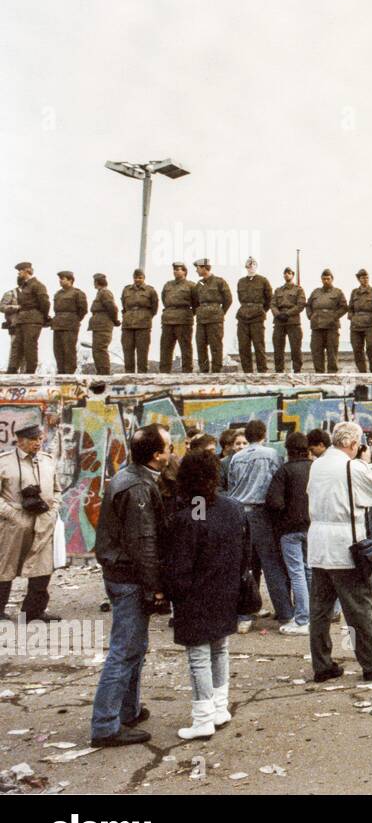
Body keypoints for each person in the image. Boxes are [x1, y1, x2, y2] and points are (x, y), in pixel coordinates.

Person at [90, 423, 171, 746]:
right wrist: (156, 588)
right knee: (124, 651)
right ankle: (106, 725)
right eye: (168, 446)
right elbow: (143, 543)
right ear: (156, 455)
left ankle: (129, 710)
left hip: (121, 573)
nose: (172, 450)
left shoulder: (130, 476)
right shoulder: (137, 487)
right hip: (130, 577)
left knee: (134, 647)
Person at [164, 449, 249, 740]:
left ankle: (202, 718)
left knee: (198, 656)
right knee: (219, 649)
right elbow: (244, 552)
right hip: (226, 591)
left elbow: (180, 565)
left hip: (196, 595)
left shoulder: (186, 516)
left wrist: (170, 594)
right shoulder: (234, 508)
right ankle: (220, 708)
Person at [306, 422, 372, 683]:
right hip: (344, 546)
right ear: (352, 444)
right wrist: (368, 462)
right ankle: (371, 663)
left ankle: (322, 664)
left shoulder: (318, 464)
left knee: (320, 610)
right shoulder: (352, 466)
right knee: (357, 608)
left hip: (318, 544)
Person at [225, 419, 293, 633]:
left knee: (243, 565)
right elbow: (277, 481)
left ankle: (243, 615)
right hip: (262, 512)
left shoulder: (236, 457)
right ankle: (285, 614)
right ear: (264, 434)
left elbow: (231, 484)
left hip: (238, 512)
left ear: (248, 435)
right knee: (272, 565)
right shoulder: (271, 455)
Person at [0, 423, 63, 622]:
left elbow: (57, 490)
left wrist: (53, 510)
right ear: (20, 441)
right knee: (5, 567)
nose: (38, 443)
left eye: (40, 439)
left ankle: (33, 612)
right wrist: (13, 515)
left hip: (43, 521)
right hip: (14, 524)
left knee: (42, 568)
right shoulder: (5, 462)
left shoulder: (47, 461)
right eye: (33, 439)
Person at [266, 431, 314, 632]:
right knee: (310, 571)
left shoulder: (284, 471)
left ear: (288, 449)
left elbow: (274, 502)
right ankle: (315, 615)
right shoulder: (315, 468)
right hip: (313, 527)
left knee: (296, 573)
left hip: (290, 529)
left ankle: (303, 619)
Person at [6, 262, 49, 373]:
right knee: (17, 346)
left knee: (29, 345)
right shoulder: (25, 286)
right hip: (22, 320)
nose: (19, 273)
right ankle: (12, 370)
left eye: (20, 270)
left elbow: (44, 303)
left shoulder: (37, 285)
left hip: (32, 320)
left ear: (27, 270)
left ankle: (30, 371)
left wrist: (42, 317)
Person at [194, 258, 233, 374]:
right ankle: (204, 371)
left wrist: (220, 312)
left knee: (215, 346)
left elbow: (228, 299)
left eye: (198, 268)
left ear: (204, 268)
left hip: (215, 319)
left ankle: (216, 371)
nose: (196, 271)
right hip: (201, 319)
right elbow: (195, 301)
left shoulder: (219, 281)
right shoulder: (199, 284)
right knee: (200, 345)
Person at [235, 256, 273, 373]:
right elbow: (240, 299)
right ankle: (247, 372)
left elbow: (269, 299)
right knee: (243, 346)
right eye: (249, 265)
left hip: (257, 317)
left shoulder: (263, 280)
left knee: (259, 345)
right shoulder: (241, 282)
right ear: (246, 267)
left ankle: (262, 371)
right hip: (243, 316)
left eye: (253, 265)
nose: (251, 267)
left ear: (256, 266)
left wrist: (261, 311)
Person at [159, 262, 197, 373]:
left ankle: (187, 371)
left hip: (183, 320)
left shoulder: (191, 285)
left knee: (185, 348)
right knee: (165, 348)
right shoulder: (168, 285)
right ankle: (164, 372)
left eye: (178, 269)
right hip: (168, 320)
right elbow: (164, 299)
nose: (175, 271)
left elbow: (195, 303)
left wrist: (188, 314)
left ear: (184, 271)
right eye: (174, 269)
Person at [307, 269, 347, 373]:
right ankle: (319, 372)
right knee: (316, 350)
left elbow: (344, 307)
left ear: (332, 279)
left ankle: (332, 373)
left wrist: (334, 317)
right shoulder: (315, 292)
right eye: (324, 279)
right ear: (321, 279)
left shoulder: (338, 292)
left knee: (332, 350)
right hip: (317, 325)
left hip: (331, 326)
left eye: (328, 279)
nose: (326, 281)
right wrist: (311, 316)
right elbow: (308, 305)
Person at [120, 268, 158, 374]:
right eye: (136, 278)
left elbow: (154, 308)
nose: (137, 280)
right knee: (127, 350)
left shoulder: (150, 290)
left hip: (143, 325)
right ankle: (129, 373)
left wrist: (145, 316)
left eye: (140, 278)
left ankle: (142, 374)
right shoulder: (126, 290)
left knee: (142, 350)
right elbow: (124, 305)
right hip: (127, 325)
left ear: (144, 278)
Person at [50, 271, 88, 374]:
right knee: (58, 350)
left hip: (70, 325)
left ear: (70, 280)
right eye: (60, 279)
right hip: (57, 325)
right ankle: (60, 371)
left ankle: (69, 372)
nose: (60, 281)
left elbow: (83, 310)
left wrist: (74, 319)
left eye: (63, 279)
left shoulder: (77, 293)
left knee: (69, 350)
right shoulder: (58, 294)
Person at [271, 266, 307, 373]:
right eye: (285, 273)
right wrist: (278, 314)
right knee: (278, 348)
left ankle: (297, 370)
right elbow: (272, 304)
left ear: (293, 275)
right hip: (279, 322)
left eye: (289, 273)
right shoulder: (278, 290)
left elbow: (301, 305)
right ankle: (279, 371)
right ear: (283, 275)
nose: (287, 274)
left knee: (295, 348)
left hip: (293, 321)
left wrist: (287, 314)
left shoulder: (299, 290)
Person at [348, 269, 372, 373]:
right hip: (355, 325)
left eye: (367, 277)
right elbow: (350, 308)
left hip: (370, 325)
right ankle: (362, 372)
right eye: (363, 278)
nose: (365, 280)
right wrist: (351, 317)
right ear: (359, 279)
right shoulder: (354, 292)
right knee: (357, 349)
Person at [88, 273, 119, 375]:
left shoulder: (105, 293)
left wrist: (115, 320)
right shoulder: (101, 293)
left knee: (100, 349)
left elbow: (112, 308)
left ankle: (104, 374)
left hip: (103, 326)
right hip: (99, 326)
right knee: (97, 350)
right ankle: (101, 373)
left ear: (97, 282)